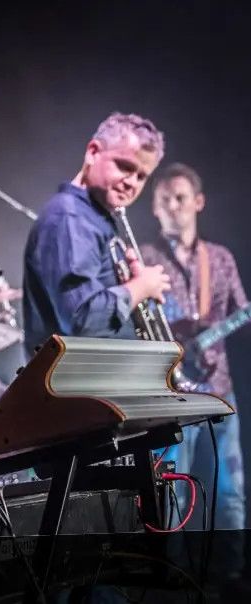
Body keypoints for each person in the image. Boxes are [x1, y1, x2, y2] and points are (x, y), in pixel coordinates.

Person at [140, 162, 247, 534]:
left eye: (180, 198)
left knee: (230, 493)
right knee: (171, 494)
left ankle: (232, 567)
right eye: (164, 200)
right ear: (154, 207)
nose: (173, 206)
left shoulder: (220, 258)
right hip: (170, 396)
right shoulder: (144, 259)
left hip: (219, 390)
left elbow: (241, 312)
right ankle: (170, 566)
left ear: (198, 202)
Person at [22, 112, 171, 354]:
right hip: (76, 377)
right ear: (92, 152)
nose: (132, 183)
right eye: (125, 166)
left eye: (141, 176)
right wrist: (140, 287)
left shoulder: (97, 218)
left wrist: (128, 285)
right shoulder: (70, 217)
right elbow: (83, 319)